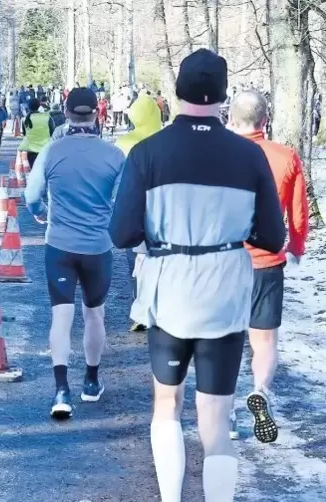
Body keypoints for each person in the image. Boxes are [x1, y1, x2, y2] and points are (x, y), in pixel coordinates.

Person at [109, 49, 285, 502]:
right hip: (226, 295)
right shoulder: (249, 156)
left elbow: (122, 233)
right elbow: (272, 236)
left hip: (169, 293)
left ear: (177, 93)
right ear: (224, 97)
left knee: (167, 406)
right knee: (217, 421)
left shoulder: (148, 153)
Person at [24, 87, 125, 419]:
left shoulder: (52, 152)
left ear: (65, 114)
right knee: (94, 314)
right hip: (98, 246)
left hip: (60, 245)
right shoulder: (114, 154)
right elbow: (124, 201)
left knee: (61, 316)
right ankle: (92, 381)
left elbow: (32, 196)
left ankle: (61, 390)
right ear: (97, 113)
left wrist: (40, 211)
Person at [226, 90, 309, 442]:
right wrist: (297, 247)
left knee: (225, 339)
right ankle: (260, 389)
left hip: (225, 260)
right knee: (264, 340)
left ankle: (226, 413)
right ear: (265, 119)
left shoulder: (219, 155)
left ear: (230, 118)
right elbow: (298, 212)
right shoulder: (285, 156)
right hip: (267, 262)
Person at [114, 94, 162, 333]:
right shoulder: (166, 140)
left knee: (135, 259)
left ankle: (140, 306)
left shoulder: (123, 142)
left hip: (134, 207)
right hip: (163, 208)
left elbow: (116, 179)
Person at [19, 98, 55, 169]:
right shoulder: (47, 117)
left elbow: (24, 134)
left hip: (31, 151)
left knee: (34, 170)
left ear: (29, 107)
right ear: (39, 106)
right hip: (45, 149)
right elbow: (52, 132)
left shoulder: (25, 119)